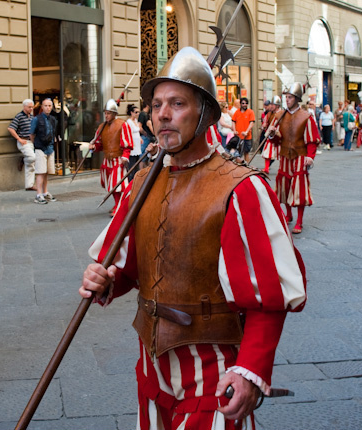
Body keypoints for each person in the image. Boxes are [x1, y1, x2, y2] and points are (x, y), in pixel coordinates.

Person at [80, 46, 306, 429]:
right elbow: (132, 267)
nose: (163, 114)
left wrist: (250, 369)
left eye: (177, 103)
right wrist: (107, 281)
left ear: (204, 114)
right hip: (150, 368)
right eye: (156, 105)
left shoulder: (240, 188)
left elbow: (268, 298)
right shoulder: (141, 183)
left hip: (211, 372)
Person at [271, 83, 320, 234]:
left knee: (299, 188)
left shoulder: (306, 116)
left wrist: (310, 157)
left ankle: (299, 221)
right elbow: (276, 141)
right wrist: (272, 134)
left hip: (300, 155)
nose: (287, 100)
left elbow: (312, 140)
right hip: (285, 155)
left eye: (290, 97)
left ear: (297, 98)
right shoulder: (279, 116)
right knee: (284, 186)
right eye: (286, 97)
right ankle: (289, 214)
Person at [90, 99, 133, 216]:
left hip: (118, 159)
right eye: (105, 113)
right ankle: (117, 204)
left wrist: (125, 156)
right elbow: (99, 144)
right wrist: (93, 147)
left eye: (108, 113)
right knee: (110, 184)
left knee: (117, 184)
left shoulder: (122, 124)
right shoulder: (102, 127)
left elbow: (127, 144)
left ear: (114, 113)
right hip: (107, 160)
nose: (106, 115)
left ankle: (119, 206)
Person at [29, 97, 57, 204]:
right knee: (40, 172)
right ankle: (38, 194)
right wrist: (35, 144)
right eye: (45, 105)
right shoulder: (36, 119)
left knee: (46, 172)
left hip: (50, 148)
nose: (48, 108)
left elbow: (53, 133)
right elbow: (31, 134)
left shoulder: (53, 119)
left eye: (49, 106)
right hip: (40, 148)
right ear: (42, 107)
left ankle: (45, 192)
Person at [8, 99, 36, 191]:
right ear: (24, 107)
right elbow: (11, 128)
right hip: (23, 142)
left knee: (31, 164)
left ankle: (29, 185)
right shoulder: (19, 116)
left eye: (32, 107)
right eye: (29, 107)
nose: (31, 109)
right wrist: (19, 139)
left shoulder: (32, 117)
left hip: (30, 142)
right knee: (32, 157)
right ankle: (23, 160)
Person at [125, 103, 143, 180]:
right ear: (131, 113)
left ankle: (135, 180)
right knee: (132, 165)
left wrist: (140, 138)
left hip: (137, 144)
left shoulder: (136, 120)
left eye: (138, 112)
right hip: (133, 145)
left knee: (136, 164)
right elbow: (129, 133)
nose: (137, 114)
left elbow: (137, 131)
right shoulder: (129, 122)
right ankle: (130, 181)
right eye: (136, 112)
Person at [138, 101, 153, 169]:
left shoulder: (145, 114)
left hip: (147, 138)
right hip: (145, 138)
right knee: (142, 158)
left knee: (145, 157)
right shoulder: (143, 114)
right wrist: (145, 133)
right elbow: (139, 126)